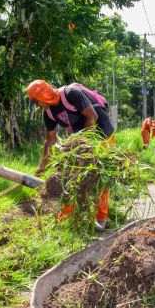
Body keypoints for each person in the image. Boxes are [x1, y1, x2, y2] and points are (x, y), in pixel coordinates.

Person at [27, 80, 114, 232]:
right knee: (70, 175)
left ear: (43, 95)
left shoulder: (71, 94)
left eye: (36, 102)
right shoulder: (48, 114)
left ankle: (101, 217)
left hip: (102, 132)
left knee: (101, 176)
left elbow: (92, 116)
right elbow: (50, 141)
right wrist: (42, 166)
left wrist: (83, 144)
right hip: (81, 138)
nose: (37, 106)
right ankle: (66, 216)